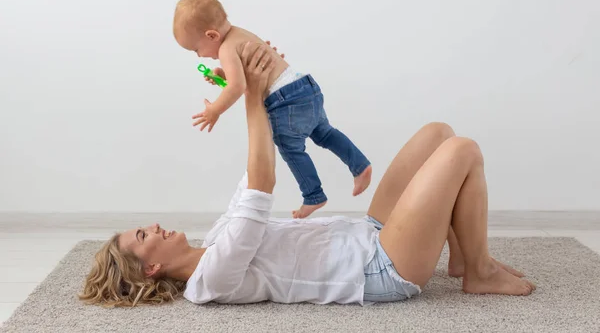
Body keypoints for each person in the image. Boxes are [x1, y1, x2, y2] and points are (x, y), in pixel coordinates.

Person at [79, 42, 535, 308]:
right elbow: (262, 184)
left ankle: (459, 256)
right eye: (144, 234)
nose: (153, 225)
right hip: (379, 268)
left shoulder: (216, 239)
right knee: (462, 152)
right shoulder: (210, 280)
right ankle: (478, 269)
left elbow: (251, 175)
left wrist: (248, 89)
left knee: (438, 134)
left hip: (367, 234)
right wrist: (253, 94)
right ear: (152, 266)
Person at [173, 0, 372, 218]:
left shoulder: (226, 49)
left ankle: (313, 195)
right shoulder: (242, 34)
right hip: (305, 86)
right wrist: (223, 75)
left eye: (195, 49)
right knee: (325, 133)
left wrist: (214, 110)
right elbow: (249, 76)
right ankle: (360, 165)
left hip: (285, 100)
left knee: (290, 148)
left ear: (211, 35)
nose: (199, 56)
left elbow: (238, 87)